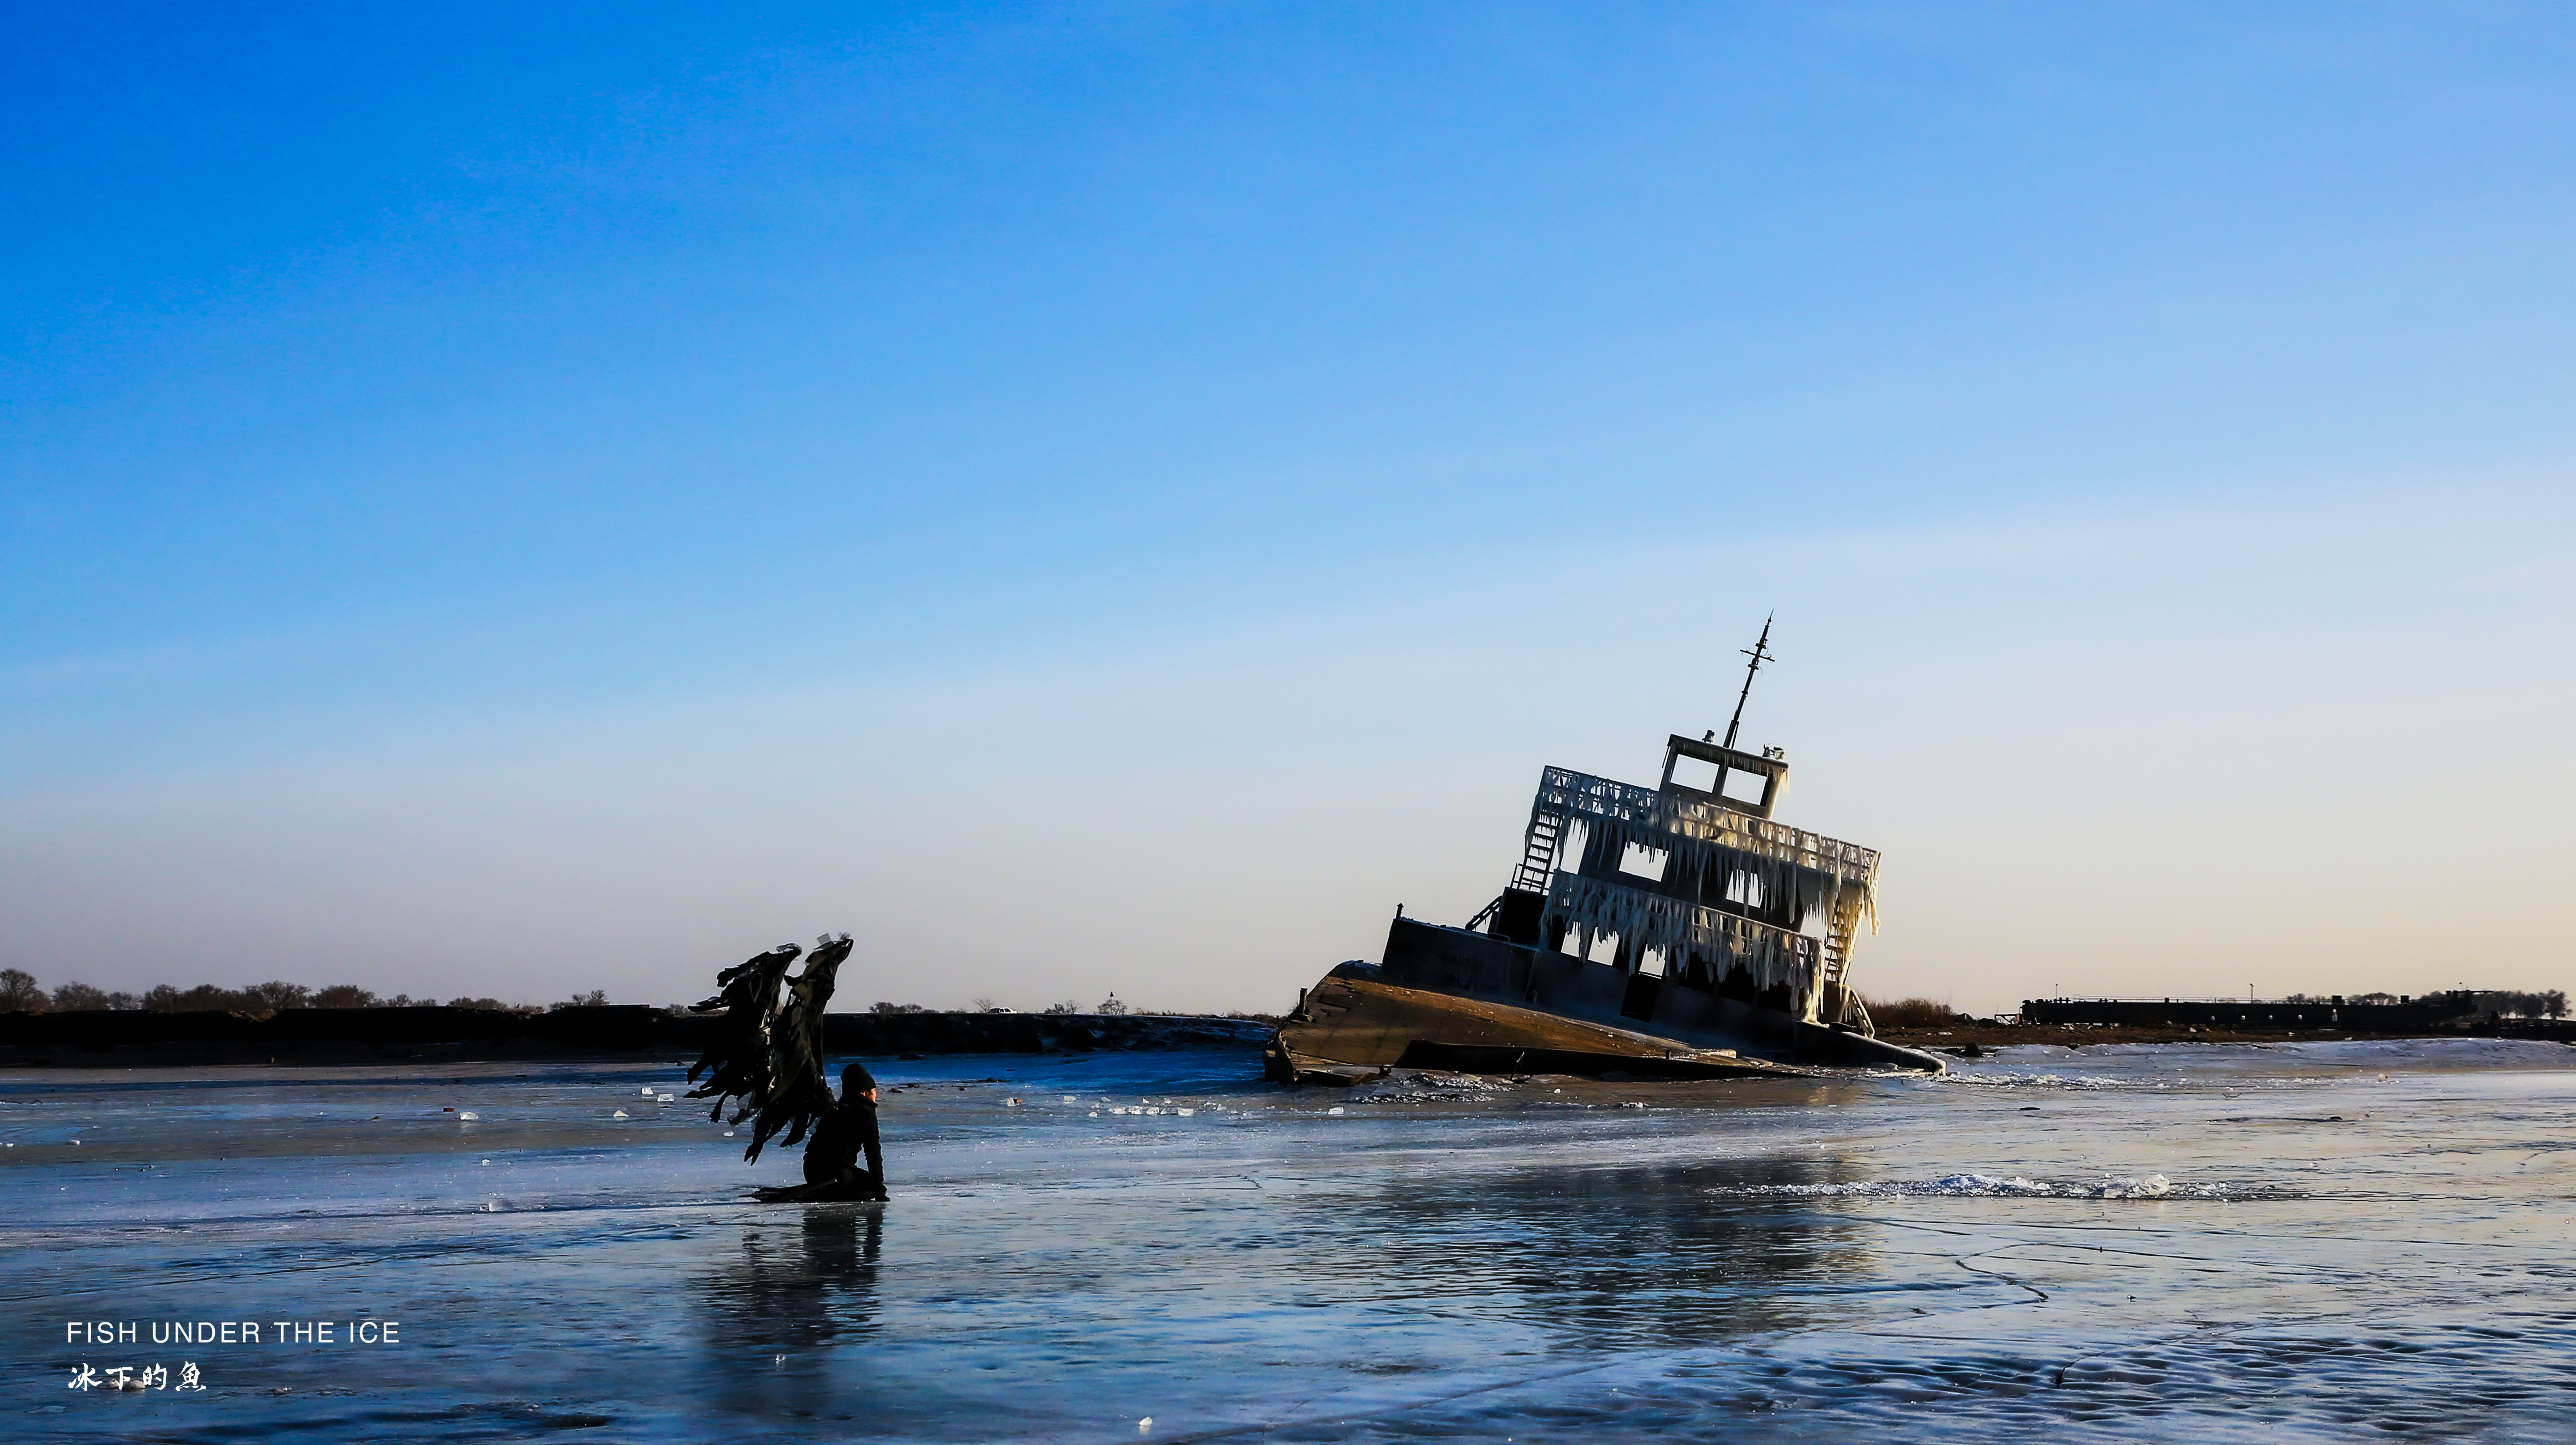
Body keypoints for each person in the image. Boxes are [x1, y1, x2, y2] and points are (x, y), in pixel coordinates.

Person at [798, 1061, 888, 1201]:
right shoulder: (865, 1111)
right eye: (874, 1091)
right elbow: (873, 1151)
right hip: (836, 1173)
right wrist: (879, 1189)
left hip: (811, 1170)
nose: (877, 1095)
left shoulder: (834, 1109)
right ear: (864, 1093)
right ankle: (832, 1193)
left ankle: (823, 1189)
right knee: (869, 1188)